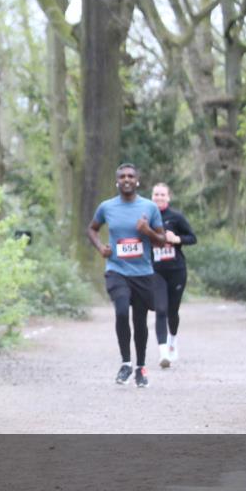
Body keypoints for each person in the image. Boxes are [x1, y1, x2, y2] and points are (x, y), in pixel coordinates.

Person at [87, 163, 167, 388]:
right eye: (122, 176)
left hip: (142, 272)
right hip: (116, 270)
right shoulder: (107, 207)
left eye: (131, 176)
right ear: (117, 181)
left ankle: (141, 367)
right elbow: (92, 228)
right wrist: (100, 247)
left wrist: (147, 231)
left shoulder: (150, 208)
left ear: (137, 180)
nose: (126, 179)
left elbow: (161, 241)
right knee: (122, 312)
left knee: (140, 321)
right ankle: (125, 363)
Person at [150, 183, 197, 365]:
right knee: (160, 309)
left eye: (162, 194)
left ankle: (173, 340)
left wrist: (176, 239)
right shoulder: (147, 216)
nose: (159, 197)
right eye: (156, 194)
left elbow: (192, 238)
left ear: (168, 197)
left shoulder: (176, 217)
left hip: (177, 270)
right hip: (156, 270)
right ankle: (163, 352)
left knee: (172, 311)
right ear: (152, 197)